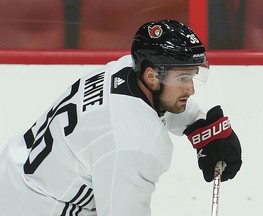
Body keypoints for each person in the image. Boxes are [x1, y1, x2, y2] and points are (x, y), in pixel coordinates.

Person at [0, 20, 242, 216]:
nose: (191, 89)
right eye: (182, 79)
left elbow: (153, 103)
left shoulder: (125, 69)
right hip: (37, 207)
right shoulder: (134, 145)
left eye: (192, 76)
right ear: (151, 76)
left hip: (15, 173)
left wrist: (199, 124)